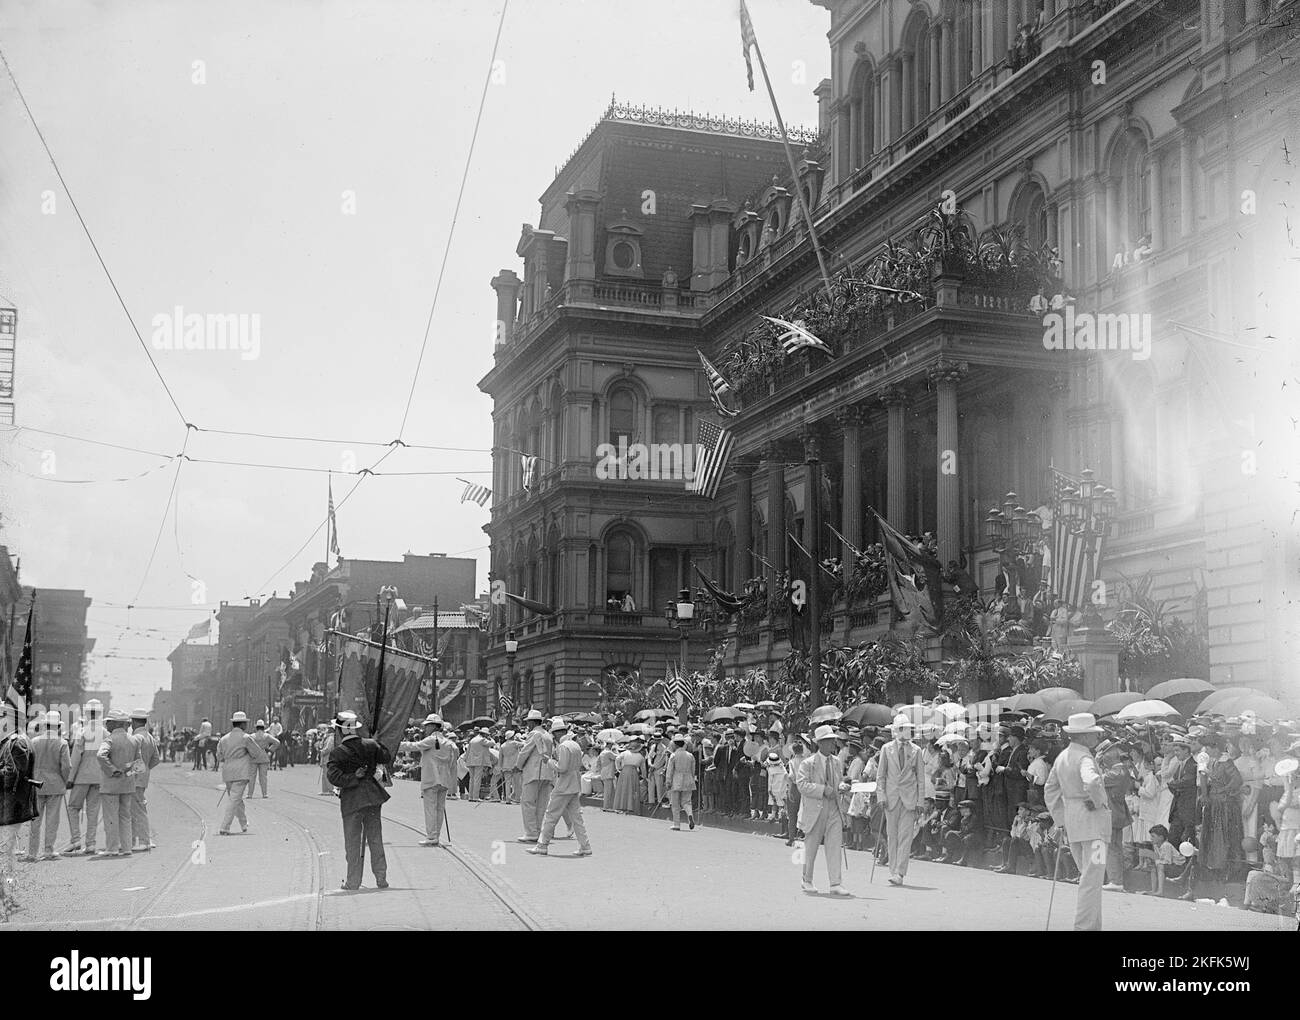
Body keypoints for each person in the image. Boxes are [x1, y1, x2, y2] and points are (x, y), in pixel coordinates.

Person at [1045, 712, 1112, 931]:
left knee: (1089, 878)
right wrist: (1099, 800)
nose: (1095, 738)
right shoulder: (1084, 757)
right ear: (1083, 736)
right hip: (1094, 826)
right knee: (1092, 880)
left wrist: (1060, 817)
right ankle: (1083, 927)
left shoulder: (1062, 756)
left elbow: (1050, 789)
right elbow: (1092, 781)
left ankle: (1093, 926)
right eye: (1092, 734)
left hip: (1073, 824)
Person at [326, 711, 392, 890]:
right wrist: (378, 741)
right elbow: (386, 756)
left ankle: (353, 881)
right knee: (375, 838)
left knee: (353, 842)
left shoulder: (338, 753)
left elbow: (333, 777)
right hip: (372, 796)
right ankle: (381, 877)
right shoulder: (371, 744)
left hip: (352, 800)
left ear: (340, 730)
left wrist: (352, 778)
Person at [795, 725, 851, 896]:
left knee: (834, 845)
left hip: (834, 808)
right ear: (819, 743)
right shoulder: (808, 763)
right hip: (815, 809)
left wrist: (842, 786)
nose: (832, 744)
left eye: (832, 740)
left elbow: (838, 781)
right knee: (810, 847)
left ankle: (835, 883)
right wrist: (822, 790)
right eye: (827, 741)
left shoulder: (836, 761)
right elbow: (802, 785)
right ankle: (807, 880)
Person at [527, 719, 592, 857]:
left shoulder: (563, 746)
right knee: (577, 818)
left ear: (557, 734)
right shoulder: (575, 745)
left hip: (563, 786)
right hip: (574, 785)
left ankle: (542, 845)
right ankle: (585, 846)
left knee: (550, 815)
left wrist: (549, 761)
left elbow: (561, 768)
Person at [876, 714, 925, 887]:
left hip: (909, 799)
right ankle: (893, 869)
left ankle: (899, 872)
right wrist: (881, 796)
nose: (905, 732)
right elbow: (880, 776)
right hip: (891, 798)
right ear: (896, 731)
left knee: (906, 836)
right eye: (902, 728)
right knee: (892, 836)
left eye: (908, 728)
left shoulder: (916, 751)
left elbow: (921, 778)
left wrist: (920, 801)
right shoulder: (886, 749)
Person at [399, 714, 457, 847]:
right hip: (444, 779)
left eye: (427, 726)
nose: (425, 728)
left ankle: (431, 836)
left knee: (430, 808)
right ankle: (435, 835)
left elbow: (414, 746)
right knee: (439, 809)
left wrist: (396, 743)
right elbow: (452, 762)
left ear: (433, 726)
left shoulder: (432, 739)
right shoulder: (449, 743)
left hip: (431, 779)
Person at [0, 702, 37, 907]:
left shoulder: (17, 743)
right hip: (6, 807)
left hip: (11, 808)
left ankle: (9, 897)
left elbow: (13, 774)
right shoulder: (8, 742)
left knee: (4, 855)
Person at [94, 709, 141, 858]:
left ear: (115, 723)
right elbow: (139, 765)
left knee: (111, 817)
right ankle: (127, 847)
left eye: (109, 721)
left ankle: (112, 848)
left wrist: (113, 770)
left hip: (110, 786)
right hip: (127, 785)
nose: (107, 724)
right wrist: (126, 774)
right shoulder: (134, 740)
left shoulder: (109, 740)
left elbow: (100, 755)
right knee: (125, 817)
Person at [24, 711, 69, 861]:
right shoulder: (62, 743)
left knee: (35, 820)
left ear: (45, 725)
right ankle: (48, 850)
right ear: (57, 727)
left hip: (36, 784)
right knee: (52, 819)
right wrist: (66, 780)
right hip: (56, 784)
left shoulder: (34, 741)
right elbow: (66, 766)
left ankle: (32, 852)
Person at [215, 711, 268, 836]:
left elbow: (219, 756)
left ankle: (244, 823)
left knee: (235, 799)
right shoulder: (246, 738)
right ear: (243, 724)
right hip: (242, 773)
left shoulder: (223, 739)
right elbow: (256, 753)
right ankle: (225, 827)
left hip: (227, 773)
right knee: (235, 800)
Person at [1200, 735, 1244, 880]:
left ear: (1215, 747)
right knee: (1215, 835)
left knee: (1224, 835)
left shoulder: (1226, 762)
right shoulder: (1213, 762)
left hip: (1224, 804)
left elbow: (1237, 780)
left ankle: (1227, 869)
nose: (1206, 750)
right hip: (1215, 803)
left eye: (1208, 747)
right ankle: (1215, 866)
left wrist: (1224, 789)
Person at [64, 700, 104, 855]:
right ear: (100, 713)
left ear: (86, 713)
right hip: (99, 777)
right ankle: (91, 844)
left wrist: (70, 778)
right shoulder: (106, 733)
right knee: (93, 811)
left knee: (73, 808)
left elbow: (75, 758)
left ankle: (75, 840)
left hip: (81, 776)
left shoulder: (82, 732)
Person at [1098, 740, 1133, 893]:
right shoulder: (1118, 770)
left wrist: (1095, 763)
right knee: (1113, 847)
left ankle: (1114, 880)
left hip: (1111, 813)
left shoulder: (1116, 772)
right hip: (1114, 813)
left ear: (1109, 755)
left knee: (1111, 847)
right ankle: (1114, 879)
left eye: (1103, 755)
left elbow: (1097, 780)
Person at [515, 710, 553, 843]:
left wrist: (518, 766)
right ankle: (537, 831)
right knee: (541, 804)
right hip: (546, 772)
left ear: (532, 722)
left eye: (528, 722)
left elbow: (525, 752)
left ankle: (531, 833)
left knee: (528, 802)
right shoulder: (548, 734)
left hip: (533, 772)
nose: (527, 725)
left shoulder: (534, 734)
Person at [129, 709, 159, 851]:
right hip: (143, 777)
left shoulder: (135, 738)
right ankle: (138, 839)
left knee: (137, 809)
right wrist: (146, 769)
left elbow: (133, 758)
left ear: (134, 722)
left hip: (134, 777)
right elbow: (156, 759)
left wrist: (131, 772)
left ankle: (143, 840)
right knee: (137, 807)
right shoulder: (150, 737)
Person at [1166, 737, 1199, 847]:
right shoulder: (1180, 765)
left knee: (1187, 839)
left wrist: (1171, 784)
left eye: (1178, 750)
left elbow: (1186, 781)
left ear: (1186, 750)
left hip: (1188, 809)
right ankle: (1177, 863)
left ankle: (1188, 863)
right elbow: (1176, 782)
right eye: (1174, 751)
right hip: (1178, 808)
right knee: (1173, 838)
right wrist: (1173, 785)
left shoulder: (1192, 765)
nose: (1176, 753)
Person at [665, 731, 697, 831]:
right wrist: (692, 779)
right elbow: (693, 770)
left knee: (675, 803)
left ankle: (677, 824)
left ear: (675, 744)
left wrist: (668, 782)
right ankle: (690, 815)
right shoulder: (690, 755)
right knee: (686, 801)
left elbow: (669, 770)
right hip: (688, 779)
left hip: (676, 779)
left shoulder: (673, 755)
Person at [613, 737, 646, 815]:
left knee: (623, 788)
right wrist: (644, 776)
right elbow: (643, 769)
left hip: (624, 771)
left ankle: (621, 806)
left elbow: (617, 759)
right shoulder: (640, 757)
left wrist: (619, 768)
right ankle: (631, 807)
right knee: (632, 789)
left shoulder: (625, 753)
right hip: (633, 772)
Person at [249, 720, 279, 799]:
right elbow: (277, 742)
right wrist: (270, 750)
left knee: (252, 776)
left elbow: (247, 746)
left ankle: (250, 794)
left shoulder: (252, 736)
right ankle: (264, 793)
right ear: (263, 727)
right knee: (263, 777)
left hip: (253, 757)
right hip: (264, 756)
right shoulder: (267, 736)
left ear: (256, 727)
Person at [466, 727, 492, 802]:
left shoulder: (472, 740)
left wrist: (467, 759)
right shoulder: (482, 740)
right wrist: (489, 738)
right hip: (478, 761)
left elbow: (468, 751)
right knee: (477, 779)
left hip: (471, 761)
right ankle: (475, 797)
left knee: (471, 779)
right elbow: (492, 743)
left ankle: (470, 796)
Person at [499, 729, 522, 804]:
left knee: (507, 784)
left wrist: (500, 768)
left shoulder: (502, 745)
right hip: (515, 766)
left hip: (505, 766)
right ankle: (517, 798)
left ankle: (507, 799)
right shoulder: (515, 743)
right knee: (516, 783)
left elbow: (500, 758)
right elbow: (525, 744)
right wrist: (519, 739)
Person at [317, 724, 337, 795]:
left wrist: (321, 751)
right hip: (324, 759)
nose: (328, 729)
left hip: (328, 759)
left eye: (329, 728)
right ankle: (324, 790)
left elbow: (328, 748)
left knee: (327, 775)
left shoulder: (331, 738)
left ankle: (330, 790)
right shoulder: (327, 737)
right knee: (324, 775)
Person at [597, 740, 618, 811]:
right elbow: (616, 757)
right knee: (608, 791)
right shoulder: (609, 752)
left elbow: (598, 763)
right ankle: (606, 806)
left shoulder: (602, 752)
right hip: (608, 773)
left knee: (611, 790)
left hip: (604, 772)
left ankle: (611, 806)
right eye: (611, 745)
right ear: (609, 745)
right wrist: (616, 751)